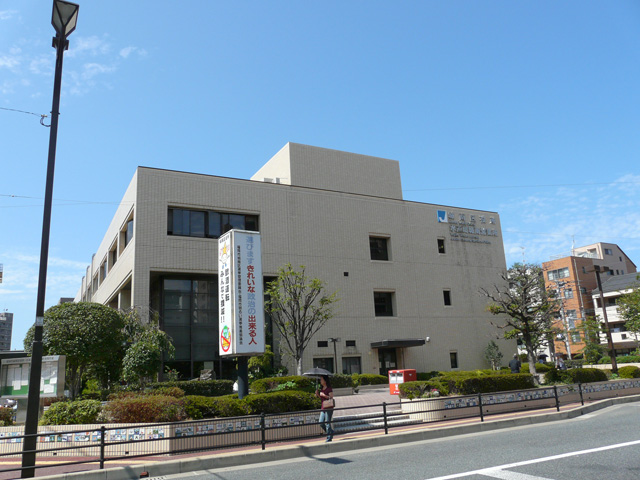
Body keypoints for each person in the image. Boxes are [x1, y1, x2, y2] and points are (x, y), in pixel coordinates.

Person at [315, 375, 334, 442]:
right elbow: (321, 398)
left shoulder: (329, 388)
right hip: (323, 407)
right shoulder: (321, 388)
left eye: (321, 379)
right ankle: (331, 432)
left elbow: (331, 398)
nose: (320, 381)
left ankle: (329, 437)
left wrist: (324, 395)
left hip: (328, 407)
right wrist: (318, 394)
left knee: (327, 423)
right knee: (321, 422)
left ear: (325, 380)